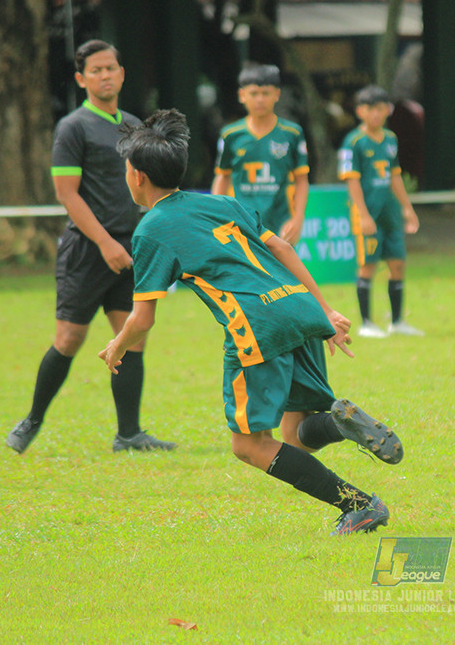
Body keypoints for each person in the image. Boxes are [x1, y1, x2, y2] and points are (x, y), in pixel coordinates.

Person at [102, 108, 402, 535]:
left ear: (137, 177)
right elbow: (281, 247)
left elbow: (143, 317)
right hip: (298, 308)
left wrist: (117, 345)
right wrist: (325, 311)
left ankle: (361, 505)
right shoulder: (220, 201)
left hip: (257, 326)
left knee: (249, 446)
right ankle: (337, 422)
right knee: (294, 434)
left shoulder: (151, 229)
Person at [6, 40, 175, 454]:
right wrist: (104, 243)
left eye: (111, 68)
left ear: (121, 73)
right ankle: (31, 421)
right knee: (69, 338)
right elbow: (68, 194)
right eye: (95, 70)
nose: (105, 75)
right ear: (82, 79)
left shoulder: (135, 126)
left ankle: (129, 434)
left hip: (130, 249)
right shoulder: (72, 127)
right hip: (87, 249)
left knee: (133, 336)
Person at [338, 85, 423, 338]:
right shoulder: (353, 142)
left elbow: (395, 175)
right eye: (370, 109)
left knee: (397, 264)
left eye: (380, 109)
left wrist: (407, 208)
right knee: (368, 266)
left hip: (390, 213)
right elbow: (351, 180)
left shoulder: (390, 139)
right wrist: (363, 215)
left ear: (387, 110)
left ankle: (397, 322)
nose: (376, 114)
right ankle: (366, 323)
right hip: (369, 214)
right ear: (359, 111)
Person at [211, 64, 308, 245]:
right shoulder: (230, 135)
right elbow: (222, 177)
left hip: (281, 222)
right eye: (254, 93)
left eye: (266, 93)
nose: (260, 99)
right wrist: (218, 215)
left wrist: (298, 218)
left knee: (281, 273)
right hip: (240, 222)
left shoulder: (292, 133)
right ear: (242, 96)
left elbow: (302, 179)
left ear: (277, 94)